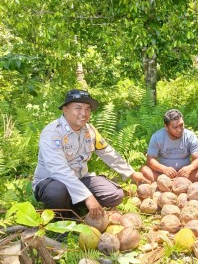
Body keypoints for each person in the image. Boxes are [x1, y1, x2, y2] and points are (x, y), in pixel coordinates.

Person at [32, 89, 150, 219]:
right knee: (56, 193)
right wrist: (87, 196)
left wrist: (131, 173)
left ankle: (76, 202)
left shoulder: (90, 130)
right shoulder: (52, 133)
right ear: (65, 109)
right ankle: (62, 219)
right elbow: (59, 170)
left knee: (116, 194)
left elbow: (107, 152)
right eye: (78, 108)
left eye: (87, 109)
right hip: (53, 181)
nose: (84, 113)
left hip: (80, 178)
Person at [141, 109, 198, 182]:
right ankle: (167, 183)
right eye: (175, 127)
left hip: (185, 175)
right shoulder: (157, 137)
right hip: (163, 175)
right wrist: (164, 169)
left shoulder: (190, 136)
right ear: (166, 127)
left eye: (181, 125)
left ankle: (172, 185)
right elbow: (150, 160)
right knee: (145, 170)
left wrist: (189, 168)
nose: (179, 130)